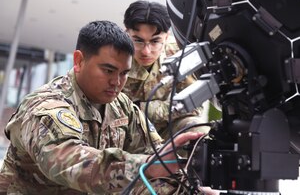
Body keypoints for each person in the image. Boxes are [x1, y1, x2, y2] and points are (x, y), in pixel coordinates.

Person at [0, 20, 204, 194]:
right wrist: (148, 165)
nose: (117, 82)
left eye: (124, 73)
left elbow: (155, 152)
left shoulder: (120, 105)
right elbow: (71, 163)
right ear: (79, 61)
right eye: (108, 70)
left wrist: (193, 187)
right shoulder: (46, 107)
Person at [122, 0, 210, 142]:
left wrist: (142, 108)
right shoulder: (115, 57)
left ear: (167, 36)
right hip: (128, 132)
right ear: (126, 34)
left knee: (199, 131)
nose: (146, 51)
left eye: (155, 41)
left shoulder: (179, 54)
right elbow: (112, 110)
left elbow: (194, 104)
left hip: (168, 130)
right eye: (138, 41)